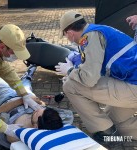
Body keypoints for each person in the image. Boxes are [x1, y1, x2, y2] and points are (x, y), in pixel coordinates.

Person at [55, 10, 137, 147]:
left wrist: (70, 71)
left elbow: (89, 79)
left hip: (133, 88)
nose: (68, 39)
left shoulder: (90, 36)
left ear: (69, 33)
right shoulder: (99, 31)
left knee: (70, 85)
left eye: (65, 36)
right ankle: (112, 133)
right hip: (131, 85)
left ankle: (106, 134)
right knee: (112, 121)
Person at [0, 64, 73, 149]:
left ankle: (27, 76)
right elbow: (42, 107)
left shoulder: (15, 135)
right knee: (26, 85)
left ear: (35, 126)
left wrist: (21, 100)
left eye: (37, 112)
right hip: (27, 97)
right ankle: (28, 76)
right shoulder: (50, 122)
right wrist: (38, 102)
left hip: (6, 97)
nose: (38, 109)